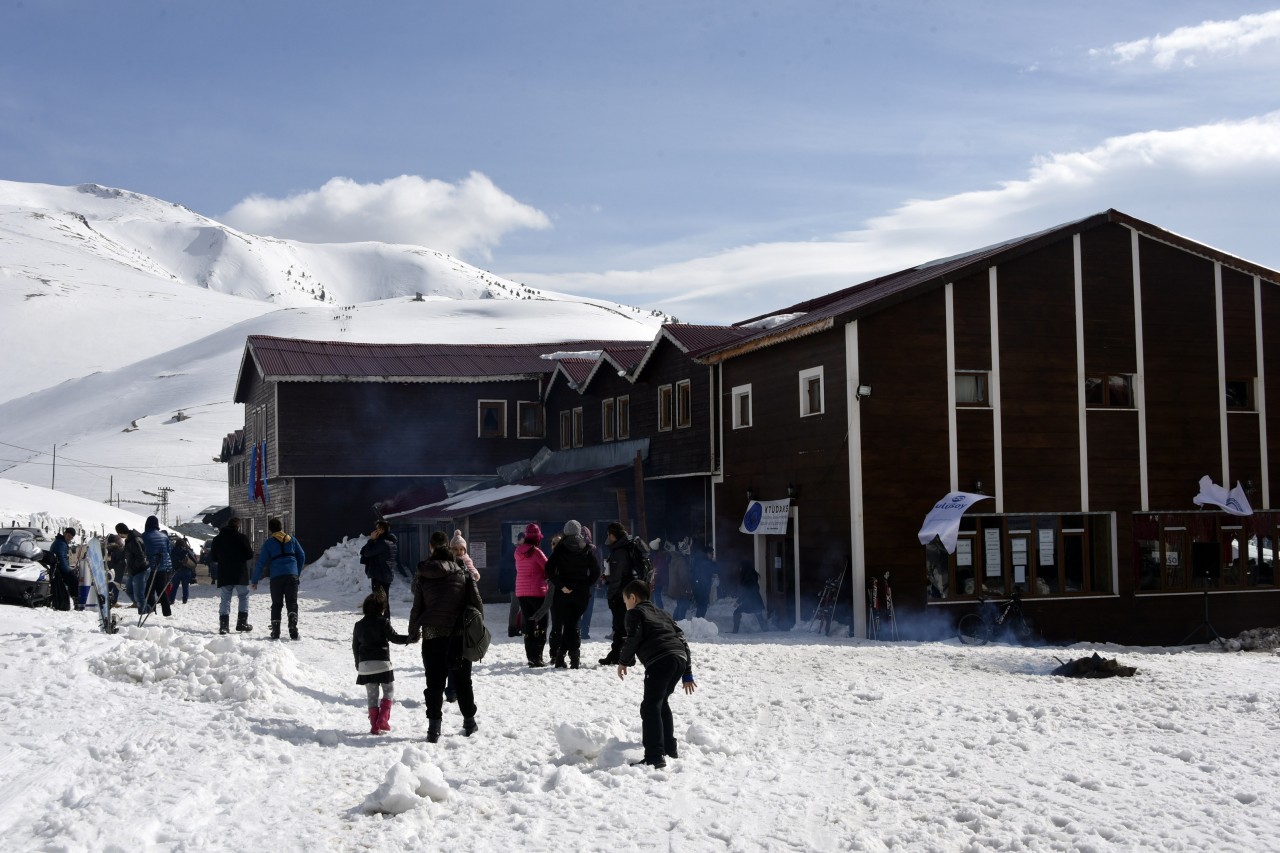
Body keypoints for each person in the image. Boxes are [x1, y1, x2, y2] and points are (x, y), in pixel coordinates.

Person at [408, 530, 482, 743]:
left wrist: (414, 632)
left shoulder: (423, 575)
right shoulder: (462, 573)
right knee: (463, 681)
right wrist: (478, 630)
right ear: (450, 554)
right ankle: (469, 722)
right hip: (459, 634)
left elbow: (417, 608)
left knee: (434, 683)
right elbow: (476, 603)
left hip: (432, 634)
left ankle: (434, 728)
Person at [617, 580, 697, 769]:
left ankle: (654, 756)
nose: (625, 605)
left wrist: (623, 661)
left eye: (625, 601)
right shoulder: (664, 614)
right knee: (661, 703)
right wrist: (687, 673)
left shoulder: (634, 613)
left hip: (660, 660)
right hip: (679, 658)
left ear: (633, 598)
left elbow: (633, 637)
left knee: (650, 707)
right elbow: (682, 639)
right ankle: (669, 749)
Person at [353, 591, 412, 734]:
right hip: (382, 664)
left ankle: (374, 725)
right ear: (381, 609)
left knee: (372, 696)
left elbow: (355, 646)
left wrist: (358, 664)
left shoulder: (358, 625)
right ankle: (383, 719)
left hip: (365, 666)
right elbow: (395, 638)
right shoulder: (383, 622)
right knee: (388, 691)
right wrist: (410, 638)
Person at [544, 520, 601, 669]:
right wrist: (586, 584)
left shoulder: (560, 548)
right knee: (572, 624)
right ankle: (572, 658)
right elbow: (596, 572)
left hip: (563, 593)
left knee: (570, 624)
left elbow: (549, 568)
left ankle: (562, 656)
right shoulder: (587, 548)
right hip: (581, 593)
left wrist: (561, 585)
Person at [251, 518, 306, 640]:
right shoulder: (292, 539)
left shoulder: (269, 543)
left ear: (270, 529)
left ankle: (276, 631)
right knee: (291, 602)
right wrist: (297, 571)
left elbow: (261, 563)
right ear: (281, 527)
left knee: (277, 604)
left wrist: (254, 580)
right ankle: (293, 624)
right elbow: (301, 555)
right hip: (291, 575)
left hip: (276, 577)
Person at [599, 522, 644, 666]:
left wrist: (611, 595)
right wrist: (608, 579)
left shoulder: (619, 551)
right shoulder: (625, 547)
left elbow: (618, 576)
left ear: (613, 535)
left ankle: (626, 657)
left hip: (621, 595)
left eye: (608, 534)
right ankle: (616, 654)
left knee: (621, 627)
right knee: (620, 626)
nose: (607, 537)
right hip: (628, 592)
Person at [210, 517, 255, 634]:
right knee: (243, 596)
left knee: (225, 599)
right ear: (238, 526)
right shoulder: (242, 538)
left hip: (225, 573)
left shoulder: (217, 539)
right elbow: (249, 555)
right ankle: (242, 623)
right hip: (240, 572)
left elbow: (213, 557)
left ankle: (224, 626)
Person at [514, 523, 549, 667]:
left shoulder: (517, 552)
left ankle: (530, 656)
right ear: (537, 538)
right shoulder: (536, 552)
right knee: (542, 623)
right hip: (537, 591)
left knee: (528, 623)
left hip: (521, 592)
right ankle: (537, 657)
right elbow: (548, 569)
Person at [359, 520, 398, 616]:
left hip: (379, 574)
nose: (375, 531)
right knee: (384, 600)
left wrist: (371, 540)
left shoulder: (382, 543)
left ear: (382, 530)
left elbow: (367, 553)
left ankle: (381, 622)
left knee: (379, 601)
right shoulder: (390, 541)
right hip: (385, 574)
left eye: (378, 529)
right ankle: (386, 621)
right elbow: (364, 551)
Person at [142, 516, 173, 618]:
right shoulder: (164, 536)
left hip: (151, 568)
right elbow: (168, 552)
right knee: (162, 591)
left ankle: (152, 613)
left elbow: (143, 552)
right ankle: (167, 614)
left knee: (149, 591)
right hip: (163, 568)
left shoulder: (145, 536)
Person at [116, 522, 149, 611]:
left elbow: (141, 557)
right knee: (129, 589)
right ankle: (146, 608)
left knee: (139, 595)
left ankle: (144, 612)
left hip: (139, 570)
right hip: (134, 570)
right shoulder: (131, 539)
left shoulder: (134, 540)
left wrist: (134, 568)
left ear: (120, 532)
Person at [733, 560, 768, 633]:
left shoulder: (747, 578)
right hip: (756, 600)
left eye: (740, 567)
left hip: (750, 601)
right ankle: (766, 630)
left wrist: (738, 602)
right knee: (759, 615)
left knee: (737, 612)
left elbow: (746, 592)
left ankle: (735, 631)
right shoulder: (753, 575)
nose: (740, 569)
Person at [579, 527, 601, 640]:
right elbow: (597, 567)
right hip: (589, 583)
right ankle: (585, 632)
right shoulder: (593, 548)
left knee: (577, 607)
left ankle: (577, 630)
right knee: (588, 608)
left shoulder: (575, 547)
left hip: (577, 582)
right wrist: (596, 581)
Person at [49, 527, 78, 611]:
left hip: (59, 567)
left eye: (71, 537)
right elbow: (61, 558)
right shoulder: (61, 543)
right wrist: (68, 570)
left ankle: (74, 599)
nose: (69, 538)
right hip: (59, 569)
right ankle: (76, 601)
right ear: (64, 533)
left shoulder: (61, 542)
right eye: (68, 535)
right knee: (74, 580)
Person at [666, 538, 694, 620]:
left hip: (675, 587)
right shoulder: (681, 561)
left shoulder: (675, 558)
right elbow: (683, 577)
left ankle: (675, 622)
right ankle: (681, 625)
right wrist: (688, 589)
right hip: (681, 588)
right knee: (683, 607)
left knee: (679, 606)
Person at [501, 532, 522, 638]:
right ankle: (512, 629)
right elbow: (505, 564)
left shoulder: (525, 550)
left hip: (523, 582)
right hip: (514, 583)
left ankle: (521, 626)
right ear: (518, 540)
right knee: (515, 607)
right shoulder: (512, 550)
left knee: (524, 607)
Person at [690, 544, 719, 619]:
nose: (712, 556)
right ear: (707, 553)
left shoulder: (699, 559)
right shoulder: (706, 562)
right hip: (702, 587)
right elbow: (716, 569)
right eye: (711, 554)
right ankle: (699, 622)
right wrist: (714, 562)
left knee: (701, 605)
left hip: (697, 586)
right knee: (703, 606)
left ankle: (698, 622)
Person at [170, 537, 198, 605]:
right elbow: (194, 560)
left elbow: (171, 560)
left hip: (176, 570)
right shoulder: (186, 551)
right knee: (185, 586)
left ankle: (172, 600)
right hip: (186, 570)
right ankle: (185, 599)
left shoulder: (173, 551)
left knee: (175, 586)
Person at [648, 537, 669, 611]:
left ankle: (660, 610)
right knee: (655, 595)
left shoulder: (659, 557)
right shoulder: (657, 556)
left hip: (657, 580)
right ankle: (657, 610)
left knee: (657, 596)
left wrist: (653, 578)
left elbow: (658, 569)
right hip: (657, 579)